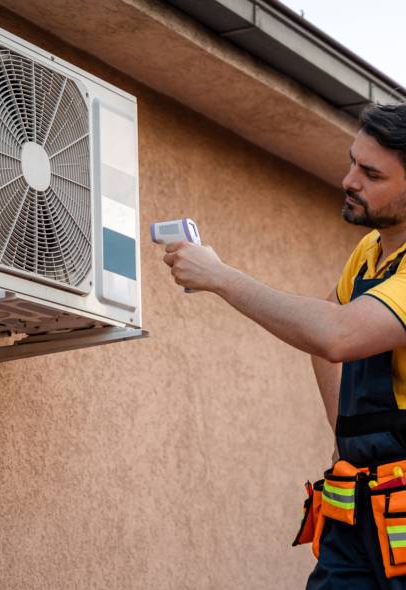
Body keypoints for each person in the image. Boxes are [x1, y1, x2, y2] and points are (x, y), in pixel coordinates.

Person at [162, 103, 406, 589]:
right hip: (360, 502)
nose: (349, 180)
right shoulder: (371, 251)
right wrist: (346, 431)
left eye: (371, 173)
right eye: (352, 161)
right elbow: (325, 326)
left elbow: (338, 335)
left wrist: (220, 277)